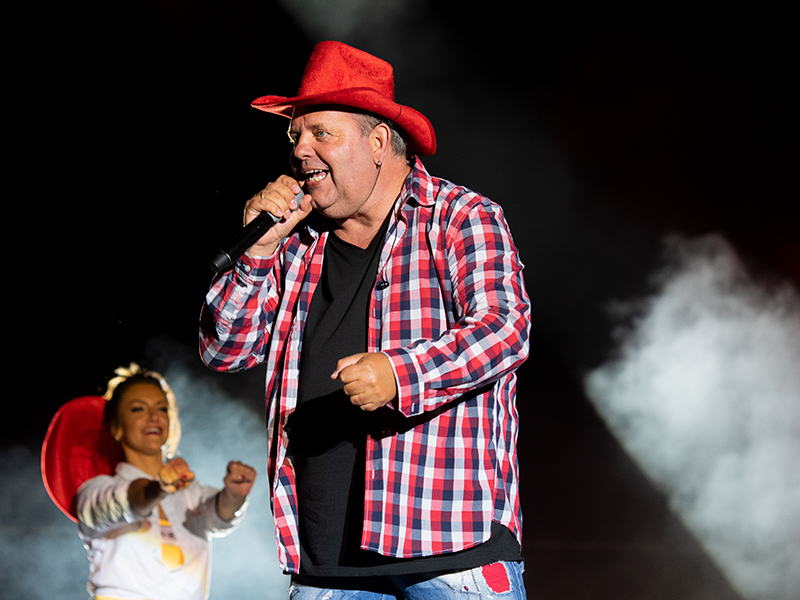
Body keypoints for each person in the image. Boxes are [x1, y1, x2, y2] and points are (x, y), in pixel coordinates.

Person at [200, 40, 531, 599]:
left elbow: (505, 329)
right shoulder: (297, 244)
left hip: (449, 555)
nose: (301, 151)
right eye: (294, 136)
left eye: (321, 133)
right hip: (326, 565)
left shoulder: (461, 218)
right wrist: (259, 252)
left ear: (377, 142)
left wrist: (401, 375)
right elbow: (225, 349)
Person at [42, 363, 257, 600]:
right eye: (138, 409)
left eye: (162, 408)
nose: (153, 417)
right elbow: (126, 502)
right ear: (116, 427)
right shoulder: (94, 491)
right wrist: (159, 488)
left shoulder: (190, 491)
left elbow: (219, 514)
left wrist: (235, 494)